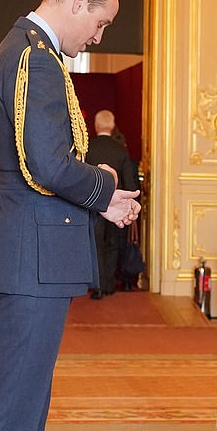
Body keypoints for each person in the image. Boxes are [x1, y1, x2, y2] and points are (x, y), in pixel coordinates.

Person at [0, 0, 141, 431]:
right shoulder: (35, 57)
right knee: (13, 410)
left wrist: (102, 198)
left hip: (26, 248)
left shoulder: (20, 50)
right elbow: (46, 164)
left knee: (21, 401)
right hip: (34, 255)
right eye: (101, 22)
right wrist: (104, 183)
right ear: (77, 2)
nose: (99, 37)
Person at [86, 110, 138, 299]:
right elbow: (129, 181)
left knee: (97, 244)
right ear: (112, 125)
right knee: (113, 244)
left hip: (92, 205)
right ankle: (109, 284)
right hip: (117, 206)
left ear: (96, 125)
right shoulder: (120, 149)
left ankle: (98, 286)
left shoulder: (87, 148)